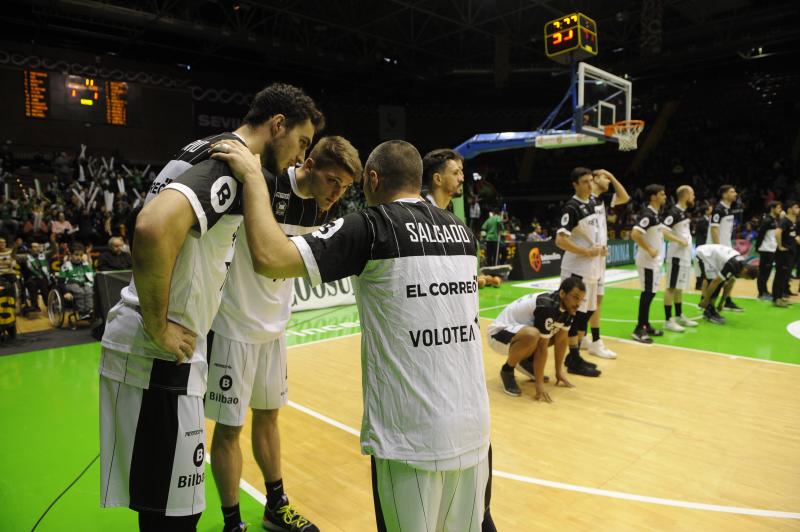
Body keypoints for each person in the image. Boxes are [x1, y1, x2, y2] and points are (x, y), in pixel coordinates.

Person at [212, 139, 491, 531]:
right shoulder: (462, 232)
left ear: (372, 180)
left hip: (411, 438)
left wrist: (253, 180)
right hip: (476, 429)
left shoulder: (372, 225)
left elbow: (270, 258)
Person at [98, 82, 324, 531]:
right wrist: (159, 324)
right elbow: (152, 227)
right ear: (277, 125)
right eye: (301, 142)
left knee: (168, 508)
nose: (301, 157)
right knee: (176, 513)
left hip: (167, 355)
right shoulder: (230, 164)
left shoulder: (201, 149)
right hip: (159, 355)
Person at [206, 136, 360, 532]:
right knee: (229, 429)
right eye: (332, 181)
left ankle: (276, 507)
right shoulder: (265, 184)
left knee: (269, 418)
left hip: (275, 328)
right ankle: (232, 523)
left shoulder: (322, 208)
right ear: (307, 164)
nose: (337, 193)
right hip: (233, 326)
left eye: (344, 187)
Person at [489, 277, 584, 400]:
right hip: (498, 334)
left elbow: (561, 339)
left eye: (581, 299)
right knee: (533, 335)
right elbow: (541, 348)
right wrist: (539, 385)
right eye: (575, 297)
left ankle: (525, 361)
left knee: (554, 334)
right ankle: (507, 370)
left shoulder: (568, 308)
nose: (578, 303)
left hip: (517, 333)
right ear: (562, 293)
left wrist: (558, 371)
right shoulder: (547, 307)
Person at [554, 167, 602, 376]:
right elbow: (560, 240)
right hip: (576, 270)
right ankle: (572, 359)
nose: (590, 185)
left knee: (586, 313)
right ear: (575, 184)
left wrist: (599, 248)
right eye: (585, 182)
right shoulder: (571, 208)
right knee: (572, 315)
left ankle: (575, 356)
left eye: (591, 180)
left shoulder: (592, 203)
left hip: (591, 269)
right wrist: (586, 251)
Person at [630, 184, 684, 343]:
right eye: (662, 194)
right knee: (647, 294)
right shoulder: (647, 214)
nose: (665, 197)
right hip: (647, 261)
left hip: (654, 262)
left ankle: (645, 324)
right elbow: (635, 233)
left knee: (651, 293)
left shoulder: (657, 214)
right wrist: (649, 249)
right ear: (653, 197)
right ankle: (639, 328)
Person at [585, 168, 629, 358]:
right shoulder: (585, 201)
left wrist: (611, 175)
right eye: (605, 177)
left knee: (596, 300)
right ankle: (591, 340)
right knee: (584, 303)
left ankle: (589, 339)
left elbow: (624, 197)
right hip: (587, 259)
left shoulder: (600, 201)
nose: (609, 181)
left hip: (600, 259)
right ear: (593, 179)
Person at [661, 185, 697, 332]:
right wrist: (678, 240)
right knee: (670, 287)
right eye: (692, 194)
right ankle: (668, 320)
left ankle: (679, 315)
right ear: (686, 194)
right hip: (676, 256)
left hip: (684, 257)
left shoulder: (683, 213)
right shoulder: (674, 212)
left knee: (679, 288)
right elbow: (663, 230)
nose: (694, 197)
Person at [695, 244, 759, 321]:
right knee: (712, 280)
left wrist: (722, 302)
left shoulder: (741, 268)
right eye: (745, 277)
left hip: (716, 257)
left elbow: (730, 284)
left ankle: (709, 306)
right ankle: (708, 309)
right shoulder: (733, 265)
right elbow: (715, 282)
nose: (743, 278)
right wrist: (706, 299)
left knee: (721, 281)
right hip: (705, 254)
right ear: (745, 271)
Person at [708, 185, 743, 312]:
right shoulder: (718, 209)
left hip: (727, 248)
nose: (735, 193)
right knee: (718, 279)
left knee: (730, 277)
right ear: (724, 195)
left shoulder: (729, 209)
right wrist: (719, 248)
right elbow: (714, 229)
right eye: (732, 191)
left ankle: (725, 301)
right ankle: (709, 306)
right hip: (720, 250)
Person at [773, 200, 800, 308]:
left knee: (785, 276)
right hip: (783, 253)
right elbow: (777, 233)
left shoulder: (793, 222)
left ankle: (781, 297)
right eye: (796, 207)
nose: (798, 210)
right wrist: (780, 246)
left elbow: (794, 236)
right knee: (780, 276)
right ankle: (776, 299)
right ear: (789, 209)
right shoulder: (785, 221)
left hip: (790, 253)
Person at [58, 243, 95, 318]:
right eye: (76, 255)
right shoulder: (66, 265)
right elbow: (61, 281)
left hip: (84, 284)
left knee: (89, 291)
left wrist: (87, 263)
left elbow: (91, 276)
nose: (79, 257)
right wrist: (66, 292)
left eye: (81, 255)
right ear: (71, 254)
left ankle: (89, 310)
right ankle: (82, 312)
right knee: (79, 291)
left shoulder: (85, 265)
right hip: (70, 284)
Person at [755, 201, 782, 300]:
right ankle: (761, 293)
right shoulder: (767, 220)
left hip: (772, 249)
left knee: (768, 272)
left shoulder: (775, 220)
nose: (780, 210)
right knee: (763, 272)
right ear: (772, 208)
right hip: (765, 249)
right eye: (778, 208)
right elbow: (760, 235)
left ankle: (765, 291)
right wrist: (757, 247)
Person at [22, 241, 51, 313]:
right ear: (30, 249)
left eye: (36, 247)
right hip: (30, 278)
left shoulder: (44, 255)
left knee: (42, 282)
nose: (35, 248)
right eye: (33, 247)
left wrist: (52, 241)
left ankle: (49, 304)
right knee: (31, 284)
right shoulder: (26, 257)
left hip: (43, 278)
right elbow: (14, 256)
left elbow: (55, 251)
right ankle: (34, 306)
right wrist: (15, 247)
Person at [694, 202, 712, 290]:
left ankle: (701, 283)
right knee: (701, 265)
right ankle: (699, 284)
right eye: (710, 208)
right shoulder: (702, 220)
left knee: (703, 265)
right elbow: (704, 233)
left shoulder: (707, 220)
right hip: (701, 245)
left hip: (704, 245)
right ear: (706, 211)